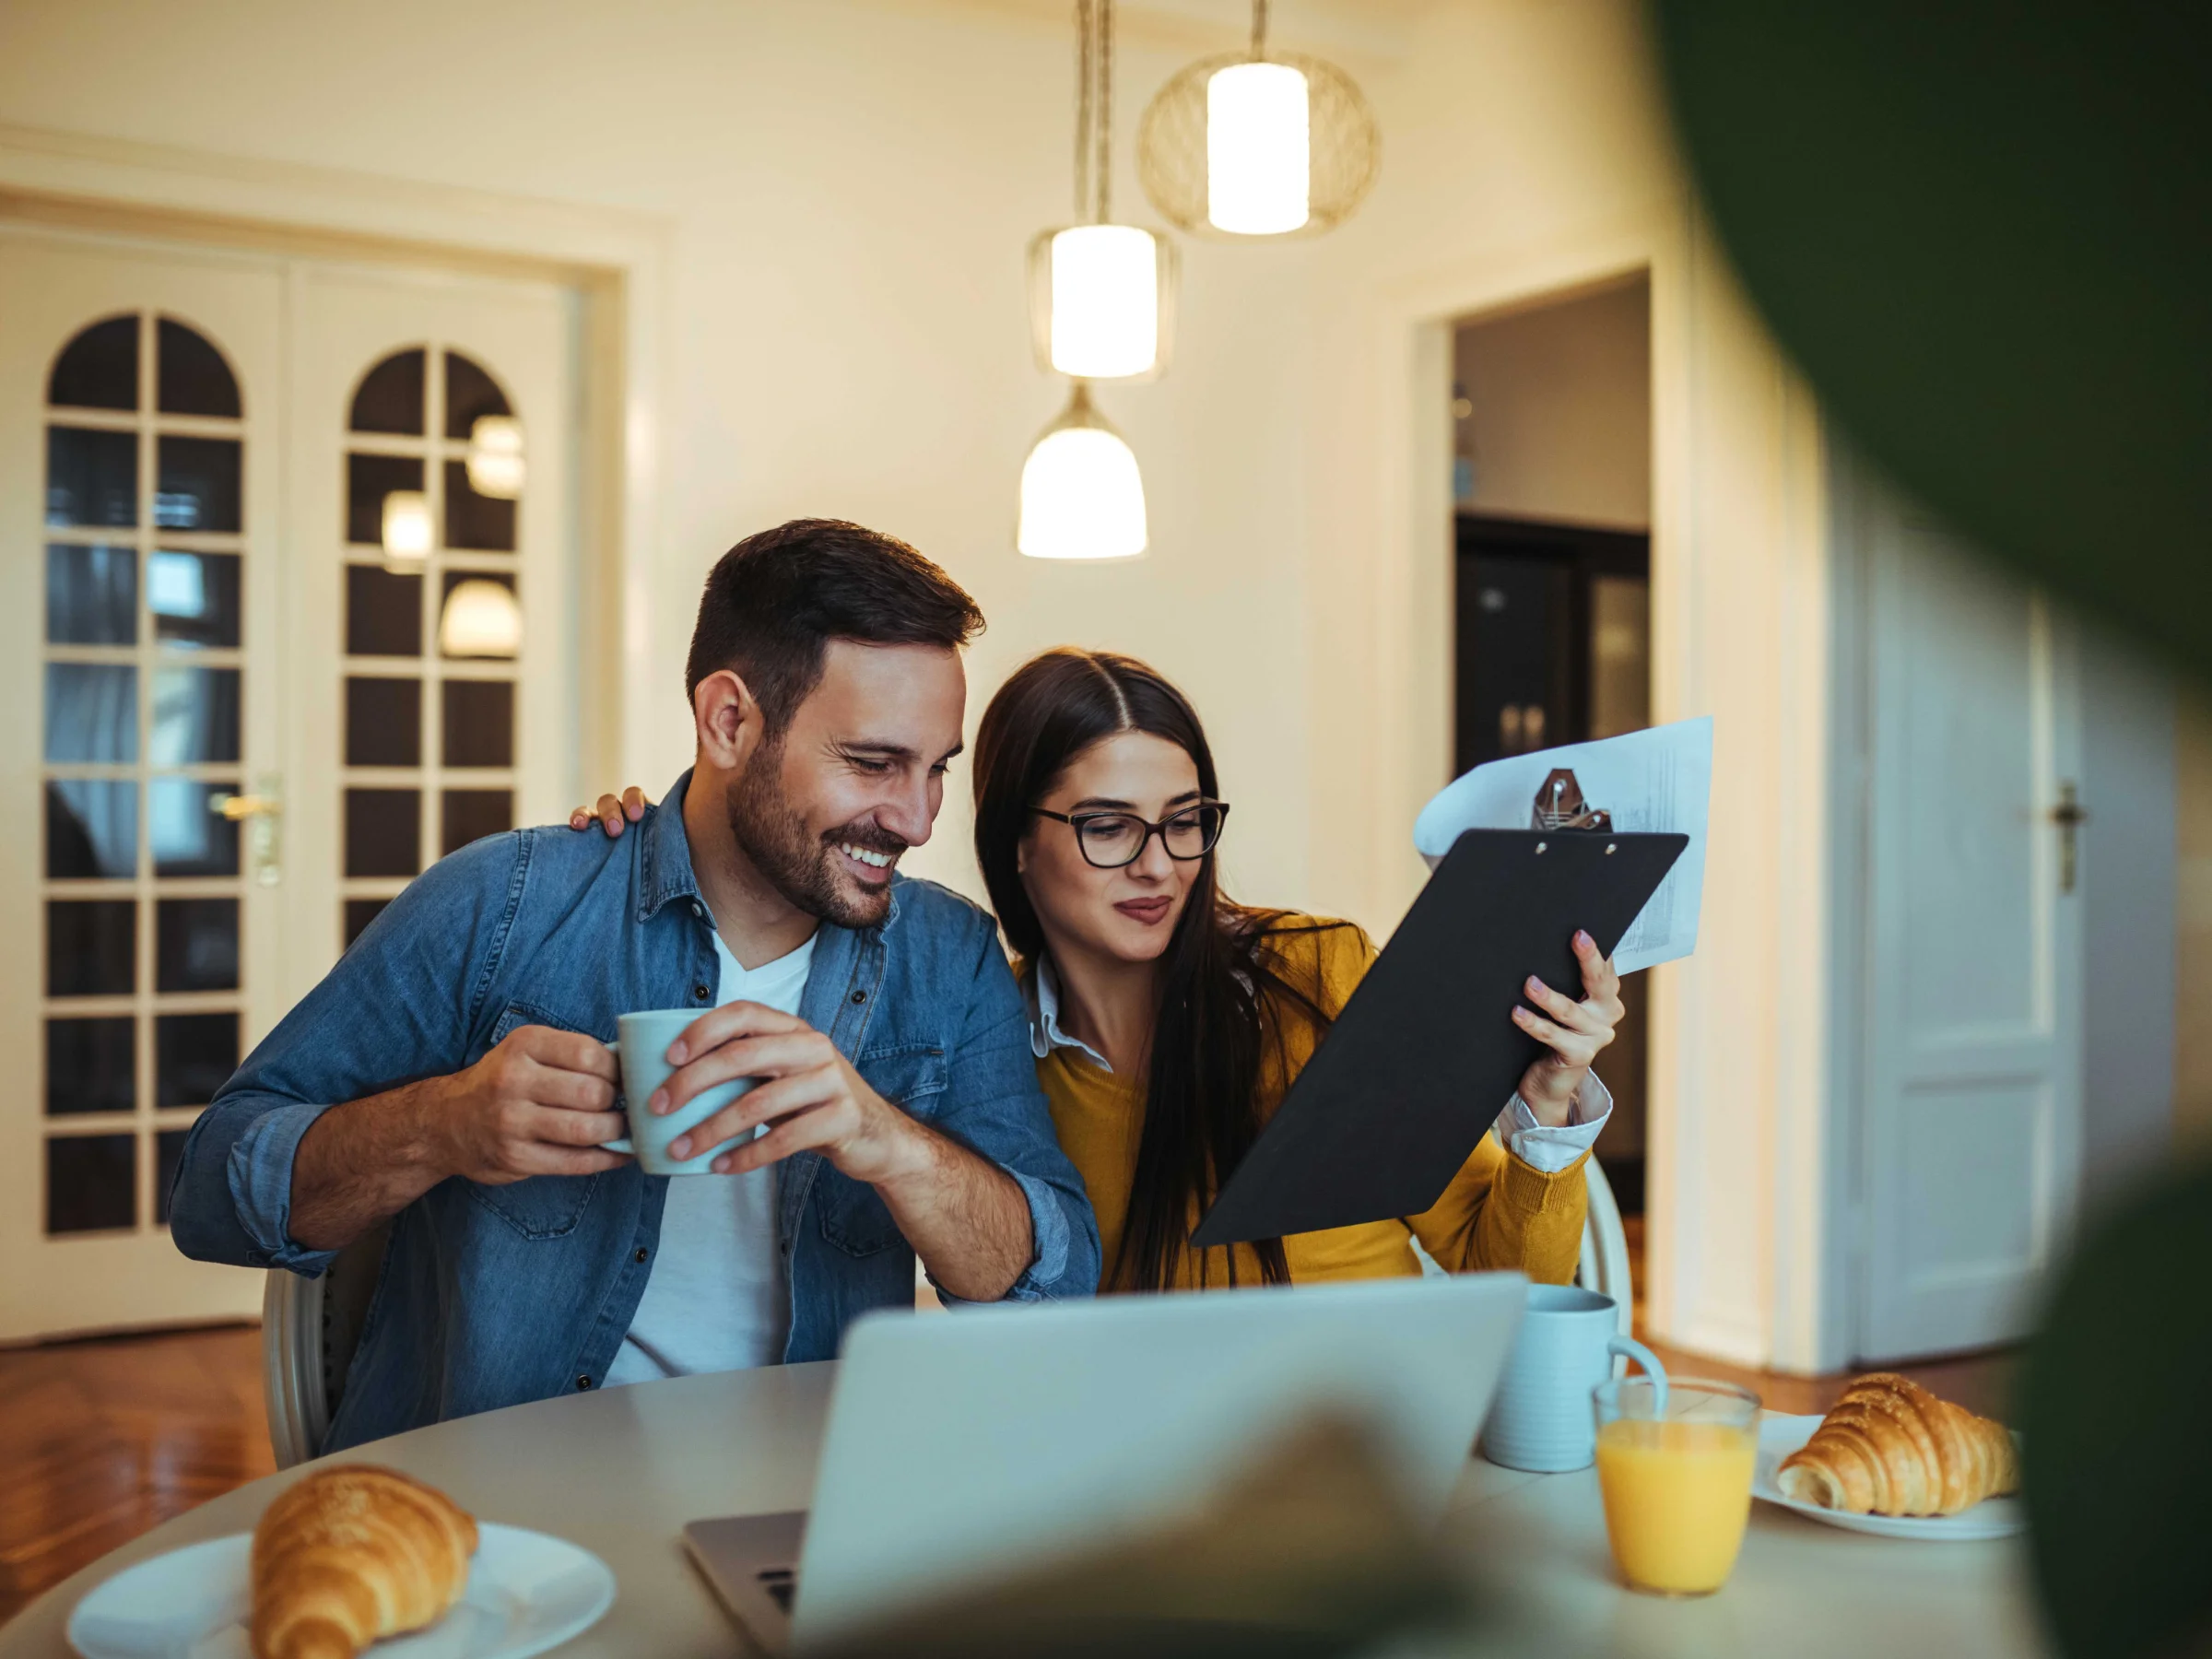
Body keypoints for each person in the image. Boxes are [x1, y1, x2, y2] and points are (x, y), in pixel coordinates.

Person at [171, 521, 1100, 1453]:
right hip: (507, 1515)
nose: (917, 818)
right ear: (728, 721)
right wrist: (444, 1125)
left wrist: (883, 1139)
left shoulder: (949, 957)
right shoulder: (506, 907)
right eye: (872, 763)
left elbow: (1054, 1283)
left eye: (936, 769)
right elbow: (216, 1190)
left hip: (811, 1507)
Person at [577, 646, 1615, 1293]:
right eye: (1109, 827)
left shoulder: (1316, 975)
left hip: (1370, 1452)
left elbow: (1506, 1279)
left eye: (1184, 823)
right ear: (1016, 843)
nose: (1159, 865)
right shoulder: (983, 1047)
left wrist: (1548, 1116)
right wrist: (652, 833)